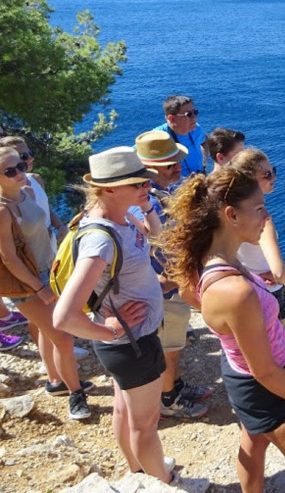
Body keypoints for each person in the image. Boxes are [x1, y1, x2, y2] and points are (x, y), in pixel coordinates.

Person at [162, 168, 285, 493]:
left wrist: (234, 319)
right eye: (258, 209)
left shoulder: (215, 260)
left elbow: (190, 294)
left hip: (242, 373)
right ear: (231, 215)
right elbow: (265, 371)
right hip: (264, 387)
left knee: (254, 443)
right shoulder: (233, 290)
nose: (266, 217)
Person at [52, 147, 175, 483]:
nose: (145, 186)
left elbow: (156, 239)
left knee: (124, 409)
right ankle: (161, 482)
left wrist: (147, 205)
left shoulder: (118, 217)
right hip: (131, 344)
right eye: (137, 184)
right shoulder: (100, 242)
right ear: (108, 189)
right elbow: (63, 317)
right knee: (146, 424)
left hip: (129, 343)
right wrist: (108, 329)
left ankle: (137, 469)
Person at [0, 146, 93, 419]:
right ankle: (76, 395)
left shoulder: (28, 192)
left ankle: (56, 381)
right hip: (28, 282)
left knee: (46, 331)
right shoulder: (3, 210)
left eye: (20, 165)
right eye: (10, 171)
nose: (20, 172)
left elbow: (43, 230)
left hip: (50, 270)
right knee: (63, 336)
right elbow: (8, 259)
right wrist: (39, 287)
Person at [130, 131, 211, 419]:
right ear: (149, 169)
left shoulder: (153, 195)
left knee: (174, 344)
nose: (179, 168)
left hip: (171, 286)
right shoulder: (140, 205)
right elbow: (143, 251)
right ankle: (168, 399)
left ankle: (174, 384)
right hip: (161, 290)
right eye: (171, 165)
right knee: (168, 346)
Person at [229, 149, 285, 324]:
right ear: (249, 180)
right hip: (268, 291)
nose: (274, 178)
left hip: (241, 288)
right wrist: (279, 276)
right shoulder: (262, 220)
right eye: (267, 174)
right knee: (274, 343)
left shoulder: (228, 211)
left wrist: (247, 274)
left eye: (273, 171)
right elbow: (280, 274)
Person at [153, 95, 208, 177]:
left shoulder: (196, 129)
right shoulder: (157, 137)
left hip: (200, 177)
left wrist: (204, 162)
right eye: (188, 114)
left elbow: (205, 141)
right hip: (176, 186)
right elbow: (132, 156)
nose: (194, 117)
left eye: (195, 112)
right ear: (171, 118)